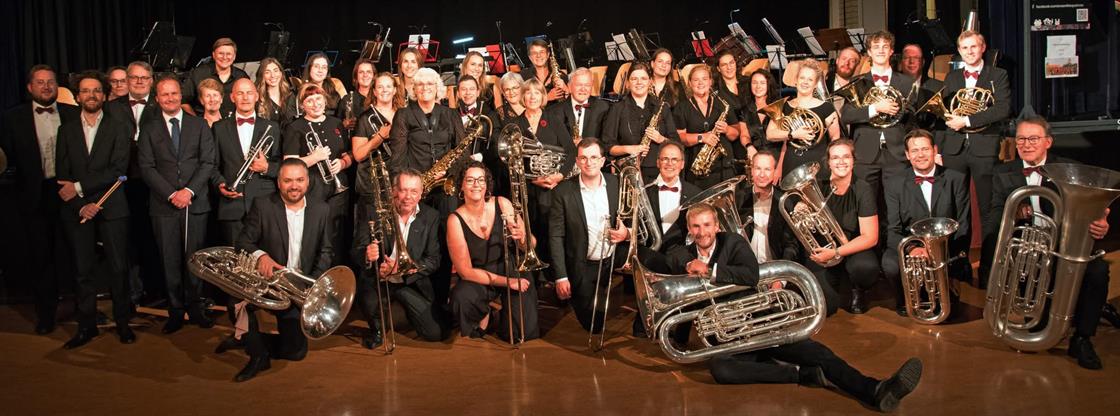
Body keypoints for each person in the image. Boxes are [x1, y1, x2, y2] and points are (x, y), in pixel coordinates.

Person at [980, 116, 1112, 370]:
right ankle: (1044, 319)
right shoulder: (1002, 173)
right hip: (1028, 247)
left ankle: (1082, 338)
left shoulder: (1070, 169)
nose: (1027, 144)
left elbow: (1097, 211)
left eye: (1033, 139)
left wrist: (1102, 224)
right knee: (1040, 310)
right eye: (1021, 139)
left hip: (1065, 244)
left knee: (1097, 271)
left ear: (1048, 142)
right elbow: (993, 217)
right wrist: (1012, 212)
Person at [233, 158, 333, 382]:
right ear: (278, 182)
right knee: (235, 298)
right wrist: (261, 256)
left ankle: (247, 338)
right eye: (287, 180)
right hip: (267, 283)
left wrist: (312, 285)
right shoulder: (263, 204)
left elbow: (326, 251)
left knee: (296, 352)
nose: (294, 185)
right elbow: (242, 241)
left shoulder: (321, 209)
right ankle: (258, 356)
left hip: (298, 286)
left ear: (308, 182)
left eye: (299, 180)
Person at [55, 71, 134, 348]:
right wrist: (81, 203)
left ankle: (123, 323)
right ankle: (86, 326)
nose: (91, 95)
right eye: (86, 91)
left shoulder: (118, 127)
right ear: (77, 96)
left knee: (118, 268)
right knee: (83, 270)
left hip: (112, 206)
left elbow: (117, 170)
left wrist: (79, 189)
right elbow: (62, 176)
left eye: (97, 90)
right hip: (79, 210)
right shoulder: (66, 130)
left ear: (104, 95)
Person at [1, 65, 79, 335]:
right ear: (29, 87)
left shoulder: (73, 114)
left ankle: (83, 310)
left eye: (50, 82)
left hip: (69, 191)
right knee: (41, 256)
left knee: (75, 253)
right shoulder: (12, 118)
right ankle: (46, 314)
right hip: (34, 195)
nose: (46, 87)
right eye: (40, 82)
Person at [136, 76, 216, 333]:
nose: (170, 98)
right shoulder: (148, 128)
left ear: (181, 96)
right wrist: (172, 194)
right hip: (164, 205)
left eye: (174, 94)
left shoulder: (199, 125)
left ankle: (195, 307)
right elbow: (146, 167)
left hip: (196, 202)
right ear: (157, 98)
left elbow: (208, 163)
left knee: (195, 259)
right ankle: (175, 310)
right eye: (164, 95)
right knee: (169, 260)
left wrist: (189, 191)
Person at [210, 78, 282, 351]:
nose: (244, 97)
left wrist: (266, 168)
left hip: (263, 207)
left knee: (266, 269)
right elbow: (212, 165)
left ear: (256, 96)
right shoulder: (219, 128)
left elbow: (281, 166)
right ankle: (241, 332)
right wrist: (219, 184)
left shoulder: (271, 127)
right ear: (232, 97)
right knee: (235, 272)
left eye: (248, 92)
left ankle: (271, 328)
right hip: (231, 207)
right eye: (239, 93)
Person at [354, 169, 449, 347]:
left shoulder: (431, 217)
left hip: (409, 282)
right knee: (373, 319)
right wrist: (367, 255)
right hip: (379, 279)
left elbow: (433, 260)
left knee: (435, 333)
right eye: (403, 190)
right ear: (393, 191)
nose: (408, 197)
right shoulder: (374, 212)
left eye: (414, 191)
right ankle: (378, 328)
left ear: (421, 194)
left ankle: (403, 313)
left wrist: (404, 269)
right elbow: (356, 250)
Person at [883, 130, 970, 317]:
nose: (920, 155)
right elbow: (893, 229)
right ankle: (904, 299)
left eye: (925, 149)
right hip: (913, 246)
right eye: (914, 151)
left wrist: (944, 251)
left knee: (951, 310)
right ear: (907, 155)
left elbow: (963, 223)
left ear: (934, 150)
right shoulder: (894, 183)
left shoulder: (956, 178)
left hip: (947, 247)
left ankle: (945, 289)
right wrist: (913, 249)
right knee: (890, 264)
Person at [448, 161, 539, 341]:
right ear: (461, 186)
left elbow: (532, 244)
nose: (476, 185)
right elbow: (465, 272)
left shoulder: (502, 203)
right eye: (470, 180)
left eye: (481, 180)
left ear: (487, 184)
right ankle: (486, 311)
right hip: (479, 275)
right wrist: (508, 282)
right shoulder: (455, 220)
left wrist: (522, 238)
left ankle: (502, 313)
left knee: (520, 335)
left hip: (510, 266)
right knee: (461, 299)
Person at [937, 30, 1011, 249]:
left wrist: (967, 121)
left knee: (987, 206)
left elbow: (1002, 109)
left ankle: (989, 261)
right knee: (954, 205)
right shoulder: (952, 77)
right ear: (959, 51)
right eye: (964, 48)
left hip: (984, 146)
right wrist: (940, 147)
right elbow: (946, 111)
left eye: (973, 46)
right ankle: (959, 262)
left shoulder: (998, 75)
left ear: (983, 47)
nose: (969, 51)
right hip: (954, 148)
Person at [548, 139, 629, 332]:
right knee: (593, 323)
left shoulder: (616, 184)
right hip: (582, 263)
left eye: (594, 157)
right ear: (577, 161)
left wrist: (627, 233)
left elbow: (633, 217)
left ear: (602, 161)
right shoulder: (563, 191)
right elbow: (556, 235)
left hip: (611, 259)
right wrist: (561, 277)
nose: (589, 162)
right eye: (583, 158)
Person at [801, 140, 880, 316]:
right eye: (835, 157)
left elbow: (870, 237)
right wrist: (801, 206)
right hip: (825, 247)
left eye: (846, 156)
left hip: (853, 246)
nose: (841, 161)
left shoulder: (862, 188)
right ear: (828, 162)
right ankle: (834, 280)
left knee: (865, 268)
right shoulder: (817, 185)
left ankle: (858, 289)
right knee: (826, 308)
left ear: (853, 160)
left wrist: (837, 253)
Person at [839, 31, 915, 214]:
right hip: (866, 152)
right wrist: (875, 109)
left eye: (885, 47)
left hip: (896, 152)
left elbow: (913, 118)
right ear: (869, 53)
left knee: (898, 207)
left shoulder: (906, 81)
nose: (880, 50)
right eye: (876, 47)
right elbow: (847, 116)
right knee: (866, 206)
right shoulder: (857, 82)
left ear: (891, 51)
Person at [105, 61, 161, 305]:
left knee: (153, 237)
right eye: (134, 77)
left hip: (155, 182)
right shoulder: (111, 108)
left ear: (151, 80)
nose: (139, 81)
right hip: (122, 182)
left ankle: (155, 291)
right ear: (126, 80)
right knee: (125, 239)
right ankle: (131, 292)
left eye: (144, 77)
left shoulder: (161, 105)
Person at [282, 84, 352, 267]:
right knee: (317, 235)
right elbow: (290, 164)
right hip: (312, 189)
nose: (315, 104)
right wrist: (314, 158)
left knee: (337, 236)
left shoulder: (336, 123)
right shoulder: (295, 127)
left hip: (338, 191)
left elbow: (347, 155)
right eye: (309, 100)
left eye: (318, 98)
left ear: (325, 100)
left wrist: (343, 163)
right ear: (302, 105)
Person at [766, 59, 841, 180]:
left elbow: (835, 140)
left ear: (816, 84)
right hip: (791, 164)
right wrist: (794, 134)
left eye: (810, 79)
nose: (805, 82)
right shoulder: (785, 106)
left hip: (818, 165)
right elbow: (770, 134)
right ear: (796, 80)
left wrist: (834, 167)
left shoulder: (827, 108)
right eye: (802, 78)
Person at [602, 61, 679, 182]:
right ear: (628, 83)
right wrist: (629, 149)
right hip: (628, 171)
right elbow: (608, 147)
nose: (639, 82)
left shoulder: (662, 107)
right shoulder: (617, 108)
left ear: (650, 82)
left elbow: (677, 144)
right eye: (634, 79)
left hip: (659, 171)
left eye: (643, 78)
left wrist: (661, 139)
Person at [674, 64, 741, 190]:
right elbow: (679, 137)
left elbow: (736, 133)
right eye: (696, 80)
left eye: (704, 79)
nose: (700, 83)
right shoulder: (682, 107)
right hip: (697, 169)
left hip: (724, 167)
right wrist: (701, 137)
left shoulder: (722, 104)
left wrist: (727, 129)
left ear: (710, 81)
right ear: (689, 83)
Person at [351, 72, 404, 230]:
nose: (384, 90)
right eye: (380, 87)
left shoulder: (404, 114)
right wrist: (379, 136)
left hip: (398, 181)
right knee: (371, 233)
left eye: (388, 86)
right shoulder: (364, 118)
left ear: (395, 90)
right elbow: (358, 155)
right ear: (374, 91)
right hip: (372, 185)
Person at [743, 150, 800, 263]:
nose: (762, 174)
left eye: (767, 169)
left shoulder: (785, 201)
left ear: (775, 172)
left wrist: (781, 278)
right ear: (752, 171)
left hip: (775, 271)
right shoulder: (738, 199)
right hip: (744, 270)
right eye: (758, 168)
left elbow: (791, 245)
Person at [181, 37, 249, 116]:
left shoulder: (241, 76)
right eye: (221, 53)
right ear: (213, 55)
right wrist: (197, 121)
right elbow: (183, 101)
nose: (224, 57)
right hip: (204, 125)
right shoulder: (198, 74)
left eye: (228, 54)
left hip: (233, 125)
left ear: (234, 56)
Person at [547, 67, 608, 144]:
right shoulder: (554, 112)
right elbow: (551, 142)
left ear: (592, 86)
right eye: (579, 85)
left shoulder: (603, 107)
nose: (583, 89)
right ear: (569, 86)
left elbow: (607, 141)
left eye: (587, 85)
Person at [742, 70, 780, 156]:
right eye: (754, 83)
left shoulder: (778, 106)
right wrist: (749, 147)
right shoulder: (744, 110)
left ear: (768, 85)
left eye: (762, 83)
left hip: (777, 155)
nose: (758, 86)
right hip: (755, 157)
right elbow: (744, 135)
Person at [339, 58, 375, 136]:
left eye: (368, 72)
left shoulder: (380, 96)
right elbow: (336, 128)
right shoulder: (346, 100)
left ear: (373, 76)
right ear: (356, 77)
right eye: (361, 72)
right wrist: (343, 125)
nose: (365, 75)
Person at [525, 39, 567, 104]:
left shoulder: (561, 75)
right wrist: (546, 97)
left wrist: (566, 89)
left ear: (547, 55)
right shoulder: (524, 76)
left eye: (542, 52)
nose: (538, 55)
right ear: (530, 57)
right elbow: (522, 103)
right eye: (534, 53)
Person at [254, 57, 293, 122]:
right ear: (262, 75)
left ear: (281, 73)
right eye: (267, 72)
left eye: (276, 70)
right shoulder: (257, 99)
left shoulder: (291, 95)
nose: (273, 75)